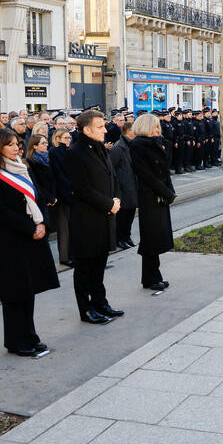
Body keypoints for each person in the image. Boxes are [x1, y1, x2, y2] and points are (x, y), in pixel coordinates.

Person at [0, 129, 58, 357]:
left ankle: (30, 335)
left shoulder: (22, 168)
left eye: (17, 144)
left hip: (32, 239)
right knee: (15, 293)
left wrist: (42, 223)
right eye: (11, 145)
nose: (16, 148)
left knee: (29, 290)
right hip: (11, 242)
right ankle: (16, 341)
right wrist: (30, 227)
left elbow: (37, 197)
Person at [64, 109, 124, 324]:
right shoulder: (75, 153)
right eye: (100, 127)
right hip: (87, 219)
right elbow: (82, 188)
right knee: (85, 268)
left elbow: (112, 177)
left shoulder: (101, 149)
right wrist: (109, 204)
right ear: (87, 129)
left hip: (106, 216)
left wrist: (116, 199)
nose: (105, 130)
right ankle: (86, 308)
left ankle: (101, 302)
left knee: (99, 265)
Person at [129, 114, 175, 290]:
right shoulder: (138, 146)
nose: (158, 130)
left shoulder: (155, 143)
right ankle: (151, 278)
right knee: (151, 239)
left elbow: (164, 169)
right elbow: (146, 175)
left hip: (160, 195)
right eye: (155, 128)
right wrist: (166, 192)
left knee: (155, 238)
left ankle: (153, 277)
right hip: (150, 196)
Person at [110, 120, 139, 249]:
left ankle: (126, 236)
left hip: (133, 185)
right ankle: (119, 239)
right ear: (128, 131)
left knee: (130, 214)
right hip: (123, 187)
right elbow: (112, 169)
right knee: (122, 216)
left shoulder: (132, 145)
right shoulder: (118, 147)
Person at [48, 128, 73, 265]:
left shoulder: (69, 151)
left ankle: (72, 254)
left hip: (71, 192)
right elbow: (58, 174)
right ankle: (65, 257)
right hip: (63, 194)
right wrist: (70, 189)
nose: (68, 140)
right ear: (57, 139)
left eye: (69, 138)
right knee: (64, 228)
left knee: (72, 227)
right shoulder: (54, 152)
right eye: (65, 138)